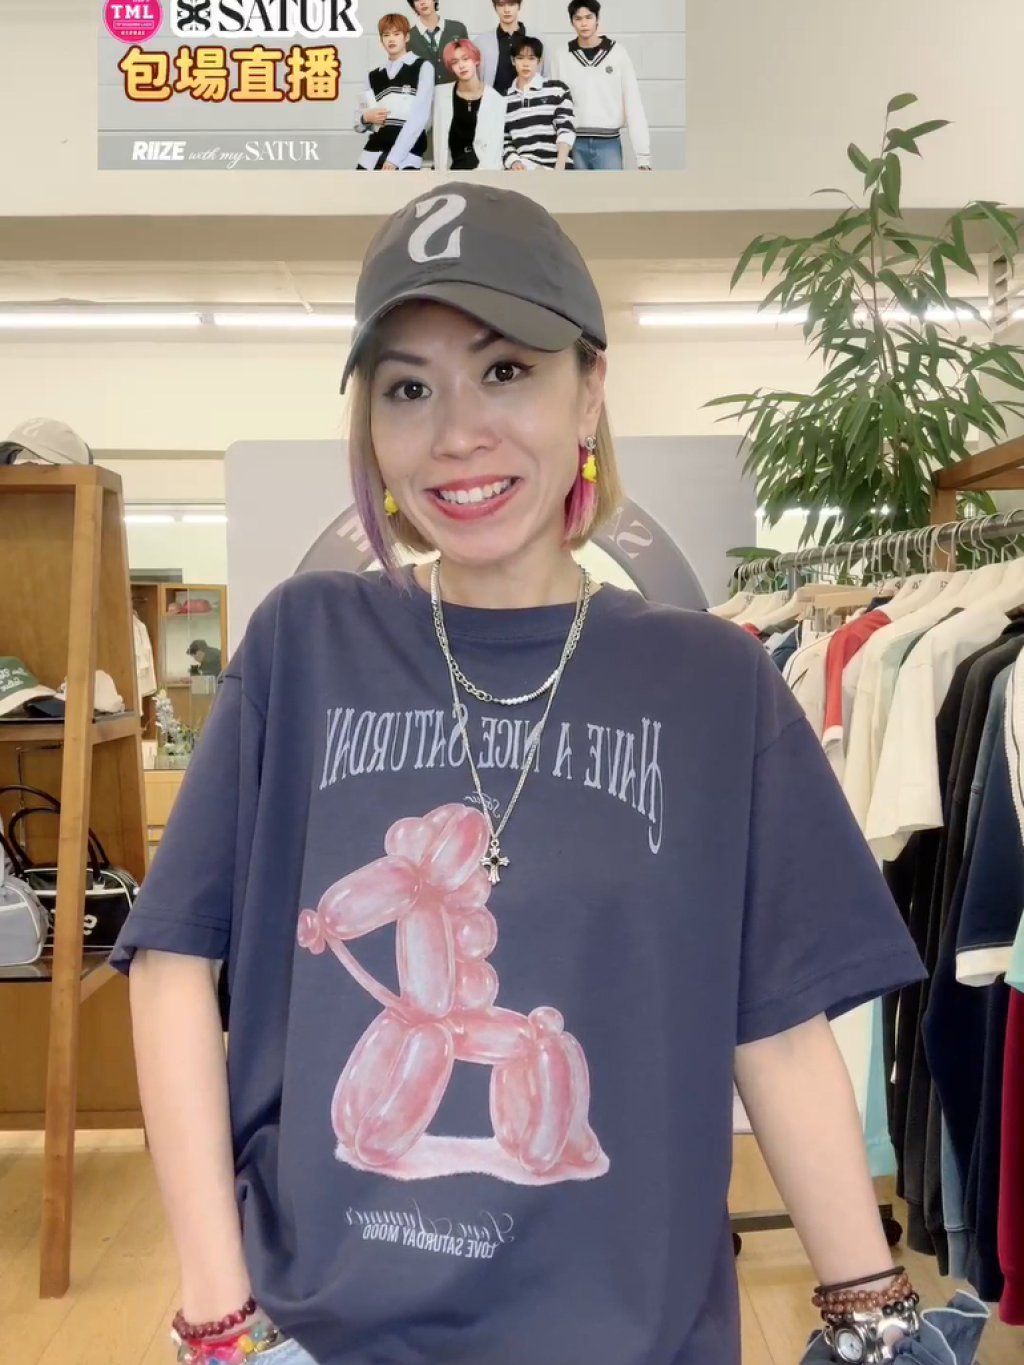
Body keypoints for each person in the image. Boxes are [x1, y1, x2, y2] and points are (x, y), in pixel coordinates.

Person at [111, 181, 940, 1365]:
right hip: (325, 1333)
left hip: (629, 1336)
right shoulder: (303, 645)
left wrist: (870, 1308)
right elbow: (171, 965)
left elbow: (779, 1029)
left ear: (589, 390)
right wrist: (216, 1313)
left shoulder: (713, 684)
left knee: (533, 1053)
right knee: (402, 1067)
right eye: (408, 388)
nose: (457, 433)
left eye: (505, 370)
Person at [551, 0, 651, 170]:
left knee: (611, 188)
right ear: (572, 22)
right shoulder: (561, 55)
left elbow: (633, 103)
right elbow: (553, 107)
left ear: (597, 19)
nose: (584, 23)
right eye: (578, 18)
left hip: (608, 143)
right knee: (573, 189)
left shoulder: (618, 53)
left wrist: (643, 157)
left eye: (588, 17)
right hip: (572, 143)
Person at [354, 13, 435, 170]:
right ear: (381, 40)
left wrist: (394, 159)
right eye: (386, 35)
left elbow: (419, 118)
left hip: (406, 158)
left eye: (396, 34)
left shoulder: (422, 67)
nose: (391, 39)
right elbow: (358, 122)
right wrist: (366, 117)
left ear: (406, 37)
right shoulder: (374, 76)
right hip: (371, 157)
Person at [503, 36, 575, 171]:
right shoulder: (505, 100)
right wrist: (514, 162)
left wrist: (560, 166)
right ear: (513, 61)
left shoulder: (557, 89)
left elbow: (566, 129)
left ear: (539, 61)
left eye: (531, 58)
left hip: (558, 169)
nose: (526, 64)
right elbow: (505, 139)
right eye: (520, 58)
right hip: (525, 171)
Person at [432, 38, 506, 170]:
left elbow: (495, 147)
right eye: (455, 62)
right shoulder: (441, 95)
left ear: (476, 60)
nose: (461, 66)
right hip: (450, 172)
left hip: (484, 173)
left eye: (465, 59)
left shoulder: (496, 100)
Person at [475, 0, 543, 96]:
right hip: (494, 101)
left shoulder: (537, 38)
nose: (506, 10)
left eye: (511, 4)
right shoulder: (481, 42)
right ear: (495, 7)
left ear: (519, 5)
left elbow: (545, 74)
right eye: (501, 5)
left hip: (531, 101)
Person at [405, 0, 469, 85]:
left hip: (458, 89)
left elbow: (469, 62)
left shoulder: (458, 28)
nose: (422, 2)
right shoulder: (408, 37)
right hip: (426, 91)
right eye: (417, 0)